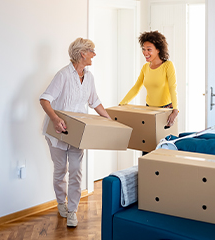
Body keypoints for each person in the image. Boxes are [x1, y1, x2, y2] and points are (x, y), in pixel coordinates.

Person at [39, 38, 111, 227]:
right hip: (58, 131)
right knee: (61, 170)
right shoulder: (63, 75)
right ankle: (61, 203)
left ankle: (72, 210)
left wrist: (110, 120)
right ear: (82, 54)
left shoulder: (89, 77)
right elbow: (45, 99)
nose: (94, 54)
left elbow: (95, 101)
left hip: (78, 133)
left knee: (77, 171)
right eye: (92, 51)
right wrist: (55, 119)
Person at [119, 30, 179, 128]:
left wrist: (175, 110)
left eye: (149, 49)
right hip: (149, 109)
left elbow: (173, 87)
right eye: (143, 49)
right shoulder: (145, 67)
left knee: (163, 141)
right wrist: (121, 104)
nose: (145, 52)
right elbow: (136, 87)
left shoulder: (168, 65)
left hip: (165, 110)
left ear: (158, 50)